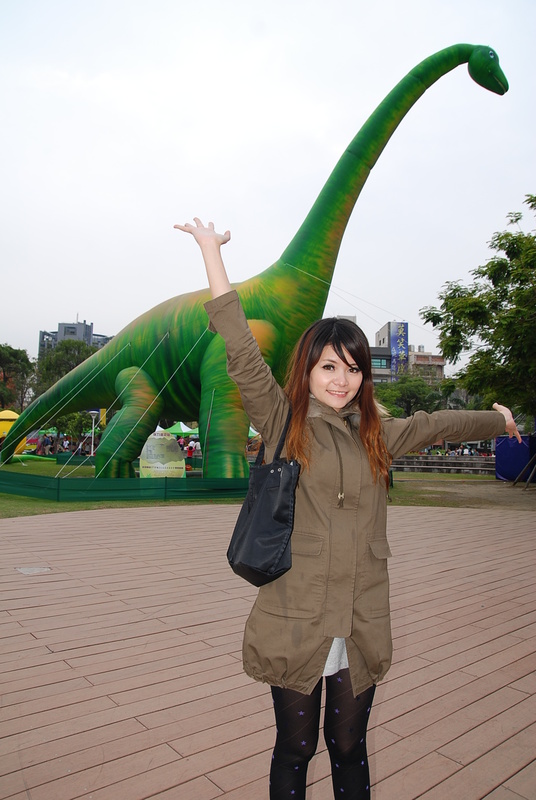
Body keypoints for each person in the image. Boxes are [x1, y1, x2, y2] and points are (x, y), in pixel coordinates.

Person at [175, 217, 521, 800]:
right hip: (298, 615)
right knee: (295, 749)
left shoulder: (377, 434)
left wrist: (498, 420)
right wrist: (211, 252)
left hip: (361, 617)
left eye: (353, 368)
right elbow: (240, 347)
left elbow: (437, 424)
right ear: (308, 369)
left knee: (349, 747)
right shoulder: (282, 421)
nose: (342, 380)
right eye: (329, 367)